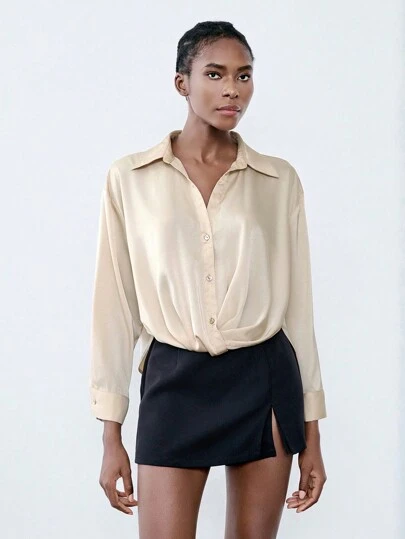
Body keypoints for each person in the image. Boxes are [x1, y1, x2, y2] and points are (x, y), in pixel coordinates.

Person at [89, 20, 327, 538]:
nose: (232, 89)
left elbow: (299, 310)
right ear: (182, 83)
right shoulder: (130, 179)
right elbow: (116, 308)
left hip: (264, 380)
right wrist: (111, 434)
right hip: (173, 380)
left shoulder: (277, 180)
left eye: (244, 75)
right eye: (215, 74)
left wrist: (312, 433)